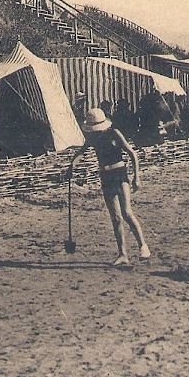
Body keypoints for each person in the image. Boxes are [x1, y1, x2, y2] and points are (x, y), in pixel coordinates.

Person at [69, 108, 151, 266]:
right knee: (116, 217)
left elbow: (132, 154)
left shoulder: (114, 133)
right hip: (105, 177)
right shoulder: (92, 137)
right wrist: (72, 164)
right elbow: (81, 151)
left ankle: (143, 246)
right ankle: (122, 254)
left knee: (127, 212)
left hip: (120, 174)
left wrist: (136, 177)